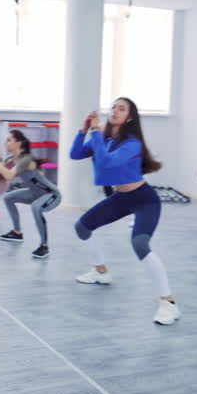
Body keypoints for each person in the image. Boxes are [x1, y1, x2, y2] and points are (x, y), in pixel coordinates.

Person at [67, 98, 180, 326]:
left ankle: (168, 303)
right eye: (113, 107)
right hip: (121, 198)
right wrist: (83, 131)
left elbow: (108, 163)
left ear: (129, 117)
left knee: (139, 244)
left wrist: (96, 132)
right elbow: (75, 154)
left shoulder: (132, 143)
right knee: (82, 227)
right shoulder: (106, 139)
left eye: (122, 108)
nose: (115, 111)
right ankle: (100, 272)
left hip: (144, 199)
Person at [0, 130, 61, 258]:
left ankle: (44, 246)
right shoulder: (13, 158)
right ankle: (17, 232)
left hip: (51, 194)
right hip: (35, 193)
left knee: (36, 207)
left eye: (9, 140)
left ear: (19, 143)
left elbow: (8, 176)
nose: (6, 143)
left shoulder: (26, 159)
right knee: (8, 198)